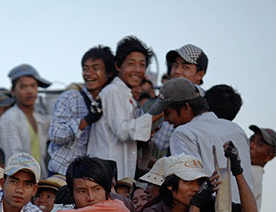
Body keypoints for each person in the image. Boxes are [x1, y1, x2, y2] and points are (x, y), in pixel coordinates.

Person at [149, 77, 256, 204]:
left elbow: (189, 186)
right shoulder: (236, 129)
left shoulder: (183, 133)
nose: (166, 119)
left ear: (187, 107)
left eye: (168, 113)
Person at [87, 37, 159, 179]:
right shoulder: (113, 91)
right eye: (131, 64)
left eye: (142, 65)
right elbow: (123, 131)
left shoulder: (127, 94)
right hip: (106, 176)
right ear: (118, 66)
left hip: (118, 175)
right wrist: (158, 113)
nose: (137, 70)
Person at [48, 46, 115, 175]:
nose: (88, 73)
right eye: (85, 68)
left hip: (89, 178)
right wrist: (86, 120)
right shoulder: (71, 97)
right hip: (62, 175)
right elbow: (56, 135)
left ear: (109, 72)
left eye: (95, 68)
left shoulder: (111, 101)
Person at [151, 44, 210, 153]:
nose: (177, 71)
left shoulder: (179, 96)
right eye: (175, 66)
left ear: (200, 75)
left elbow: (161, 141)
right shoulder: (207, 97)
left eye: (185, 67)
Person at [0, 64, 51, 173]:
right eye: (23, 87)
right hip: (20, 180)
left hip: (38, 179)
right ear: (13, 91)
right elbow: (12, 159)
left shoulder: (40, 118)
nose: (29, 91)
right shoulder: (9, 118)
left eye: (33, 86)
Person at [248, 124, 276, 211]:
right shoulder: (250, 172)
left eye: (260, 144)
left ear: (269, 157)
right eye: (252, 139)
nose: (251, 145)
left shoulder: (251, 174)